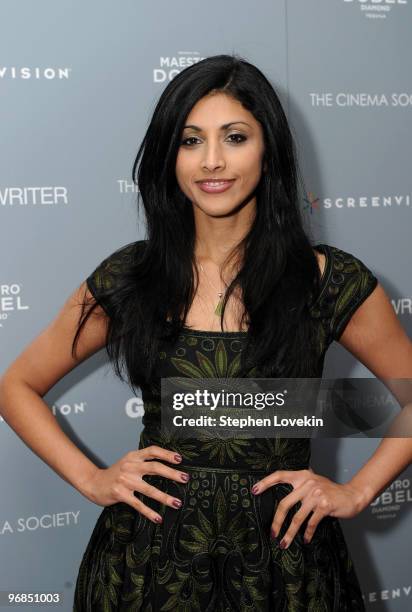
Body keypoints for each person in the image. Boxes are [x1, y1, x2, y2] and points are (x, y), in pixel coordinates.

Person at [0, 54, 411, 612]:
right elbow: (16, 385)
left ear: (268, 152)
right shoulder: (132, 278)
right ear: (169, 157)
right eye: (191, 141)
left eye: (235, 137)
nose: (212, 161)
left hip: (285, 571)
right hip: (146, 570)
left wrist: (359, 490)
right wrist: (93, 479)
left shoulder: (326, 282)